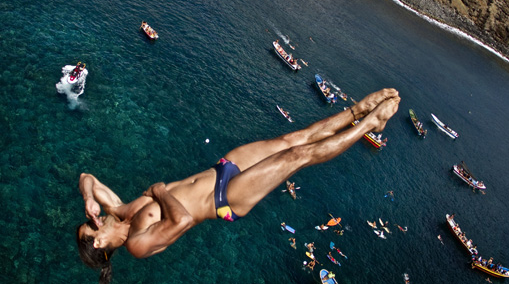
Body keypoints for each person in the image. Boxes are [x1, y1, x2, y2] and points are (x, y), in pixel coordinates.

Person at [76, 89, 400, 283]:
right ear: (101, 245)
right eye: (90, 230)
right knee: (298, 155)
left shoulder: (119, 209)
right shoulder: (136, 244)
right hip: (225, 198)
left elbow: (86, 178)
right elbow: (183, 221)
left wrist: (89, 196)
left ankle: (358, 111)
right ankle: (371, 125)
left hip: (222, 169)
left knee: (294, 138)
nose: (92, 221)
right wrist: (159, 192)